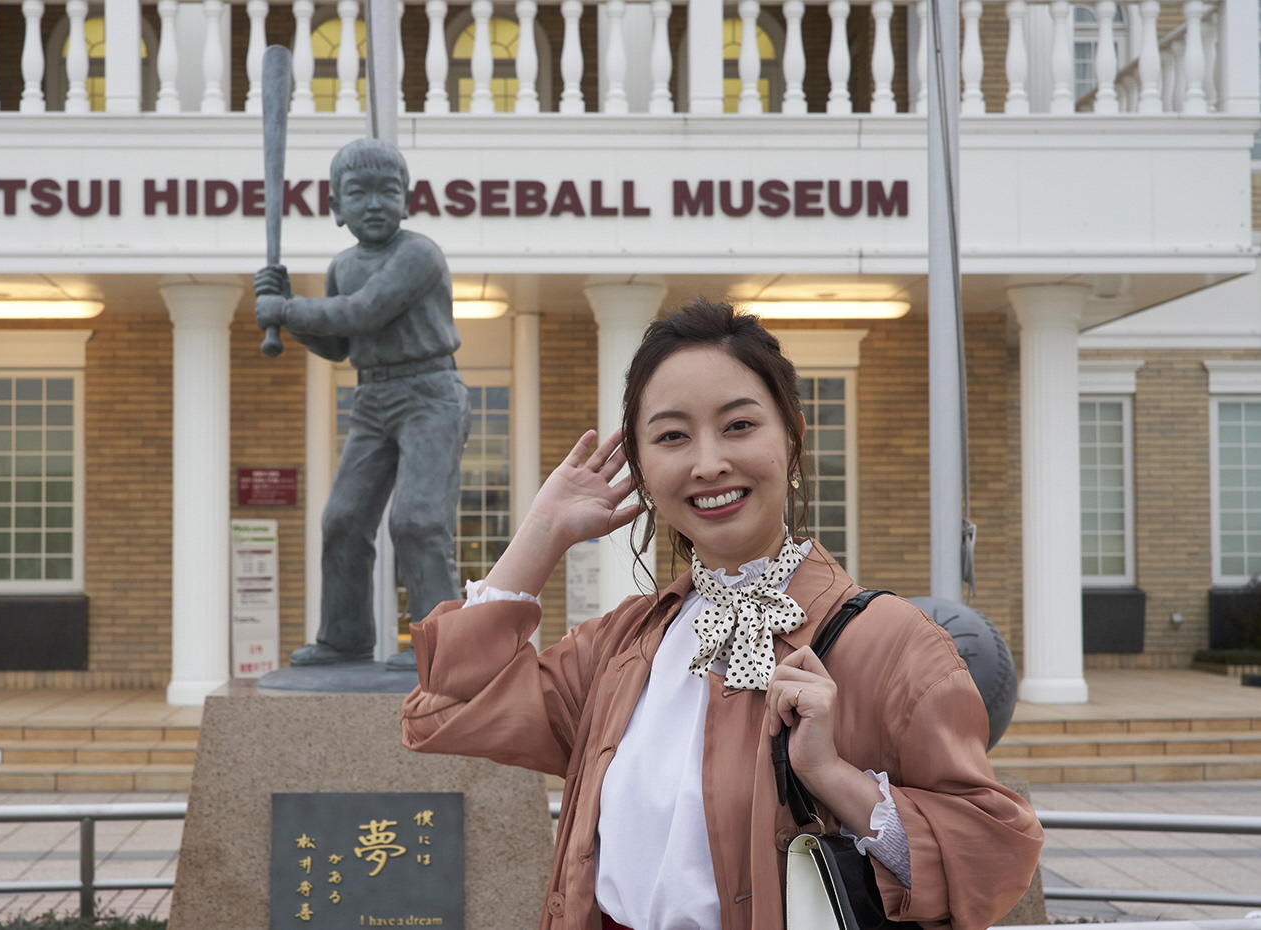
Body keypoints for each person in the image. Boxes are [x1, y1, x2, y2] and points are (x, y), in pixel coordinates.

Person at [400, 300, 1043, 930]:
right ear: (645, 472)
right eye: (672, 437)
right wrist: (539, 534)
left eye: (739, 426)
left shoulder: (893, 645)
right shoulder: (624, 645)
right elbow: (446, 709)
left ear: (791, 439)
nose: (708, 463)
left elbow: (991, 860)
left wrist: (832, 776)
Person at [255, 138, 468, 668]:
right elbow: (338, 344)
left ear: (406, 198)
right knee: (342, 519)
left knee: (417, 520)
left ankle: (443, 647)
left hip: (430, 393)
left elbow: (362, 312)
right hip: (372, 396)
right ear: (335, 207)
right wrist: (285, 317)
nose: (374, 203)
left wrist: (288, 306)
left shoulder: (417, 253)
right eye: (358, 193)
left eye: (387, 191)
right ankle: (344, 637)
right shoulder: (343, 264)